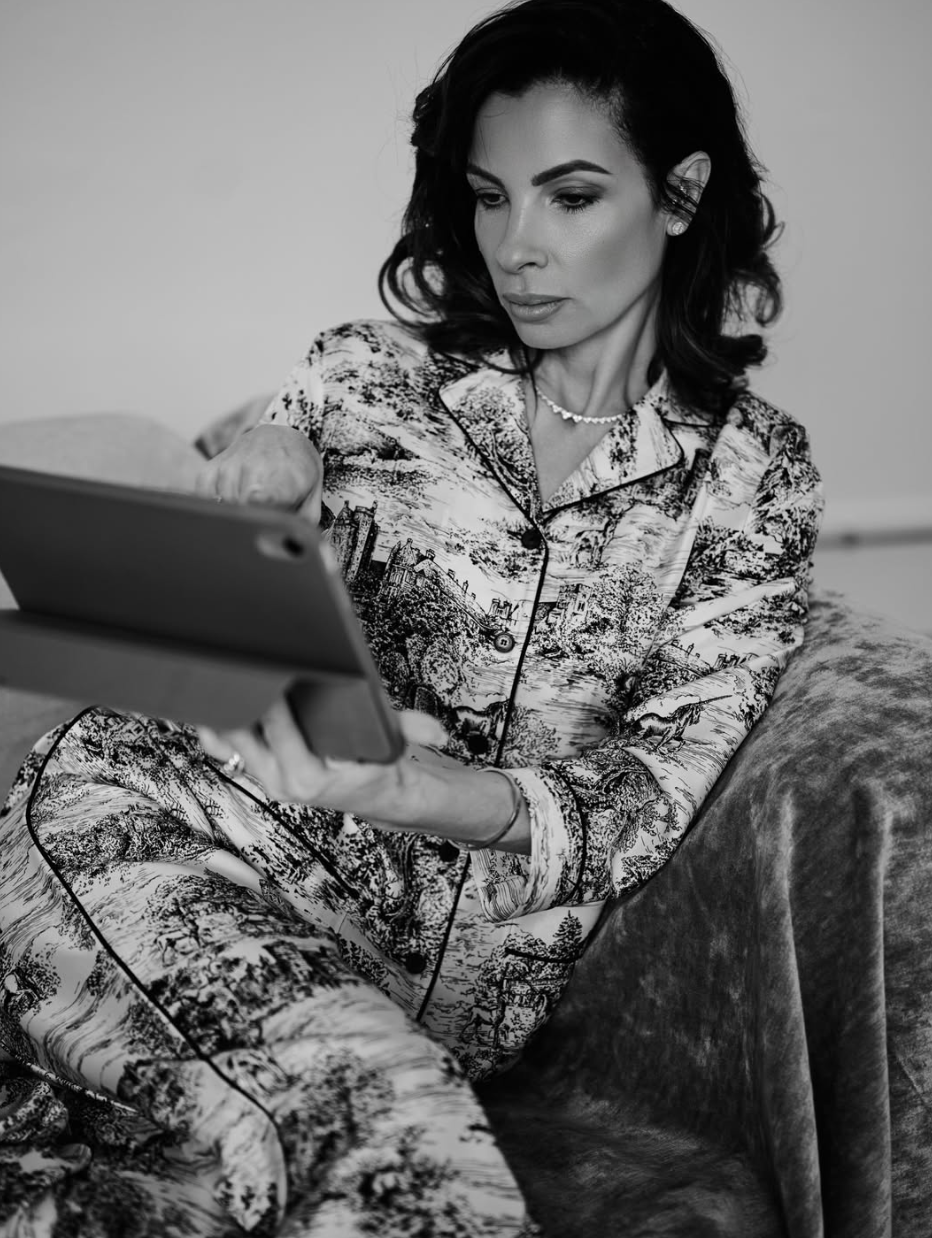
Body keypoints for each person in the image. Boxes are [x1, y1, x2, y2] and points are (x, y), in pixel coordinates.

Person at [0, 0, 823, 1234]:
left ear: (682, 190)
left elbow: (656, 782)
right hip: (145, 825)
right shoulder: (363, 373)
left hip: (421, 984)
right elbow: (257, 498)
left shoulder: (753, 480)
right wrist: (259, 470)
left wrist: (418, 793)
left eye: (570, 195)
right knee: (399, 1155)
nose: (517, 245)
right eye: (488, 198)